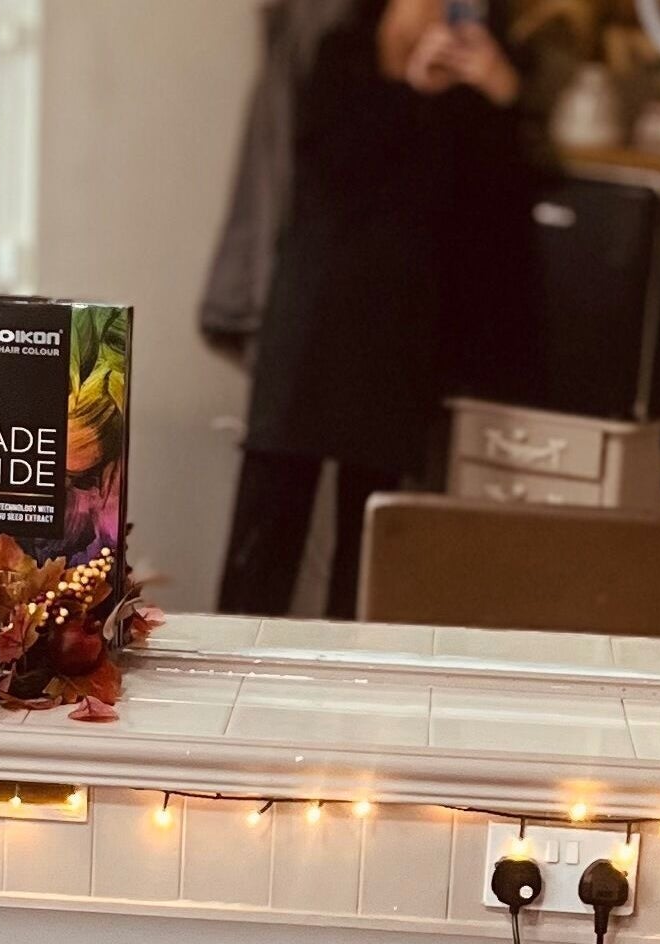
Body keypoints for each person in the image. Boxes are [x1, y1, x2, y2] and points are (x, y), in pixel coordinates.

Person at [209, 0, 537, 620]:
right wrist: (409, 90)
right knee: (268, 524)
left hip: (403, 331)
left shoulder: (477, 78)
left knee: (374, 544)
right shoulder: (340, 52)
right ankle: (231, 671)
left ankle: (355, 692)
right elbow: (325, 171)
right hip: (313, 315)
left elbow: (493, 215)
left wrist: (502, 96)